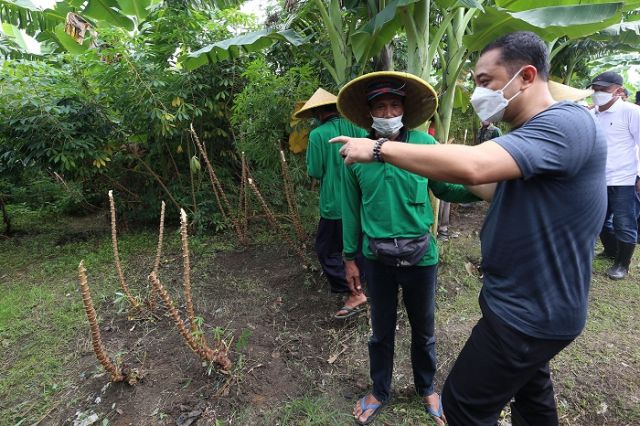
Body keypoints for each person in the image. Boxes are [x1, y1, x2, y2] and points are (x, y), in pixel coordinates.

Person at [332, 31, 607, 426]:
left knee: (463, 407)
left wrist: (380, 150)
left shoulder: (564, 123)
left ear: (526, 76)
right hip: (515, 301)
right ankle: (383, 386)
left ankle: (428, 387)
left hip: (529, 313)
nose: (478, 93)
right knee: (532, 396)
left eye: (484, 82)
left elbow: (474, 167)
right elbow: (488, 185)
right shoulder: (532, 136)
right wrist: (407, 160)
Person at [336, 71, 479, 425]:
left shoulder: (423, 146)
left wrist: (482, 184)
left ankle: (427, 388)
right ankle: (379, 390)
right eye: (380, 107)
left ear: (404, 109)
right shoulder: (355, 153)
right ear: (370, 113)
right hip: (376, 258)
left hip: (421, 257)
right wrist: (349, 258)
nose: (387, 113)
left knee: (424, 329)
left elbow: (446, 189)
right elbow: (350, 210)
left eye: (394, 105)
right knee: (381, 330)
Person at [295, 88, 368, 318]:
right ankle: (363, 287)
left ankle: (355, 293)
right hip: (361, 201)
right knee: (357, 249)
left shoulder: (318, 135)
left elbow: (315, 171)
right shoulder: (358, 129)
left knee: (327, 251)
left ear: (317, 113)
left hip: (334, 205)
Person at [589, 71, 640, 279]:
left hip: (624, 179)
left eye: (603, 89)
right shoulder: (593, 114)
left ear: (618, 91)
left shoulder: (631, 112)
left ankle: (622, 264)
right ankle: (610, 251)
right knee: (598, 221)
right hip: (596, 178)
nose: (598, 93)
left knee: (624, 222)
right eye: (595, 89)